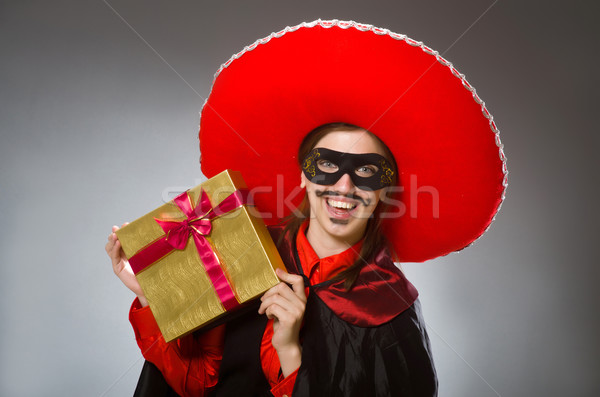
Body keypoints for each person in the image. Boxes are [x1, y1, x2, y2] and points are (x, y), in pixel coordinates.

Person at [107, 19, 507, 397]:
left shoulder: (389, 307)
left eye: (367, 171)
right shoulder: (239, 255)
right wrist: (151, 297)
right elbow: (193, 384)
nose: (344, 186)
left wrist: (290, 355)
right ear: (302, 175)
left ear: (385, 189)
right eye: (327, 165)